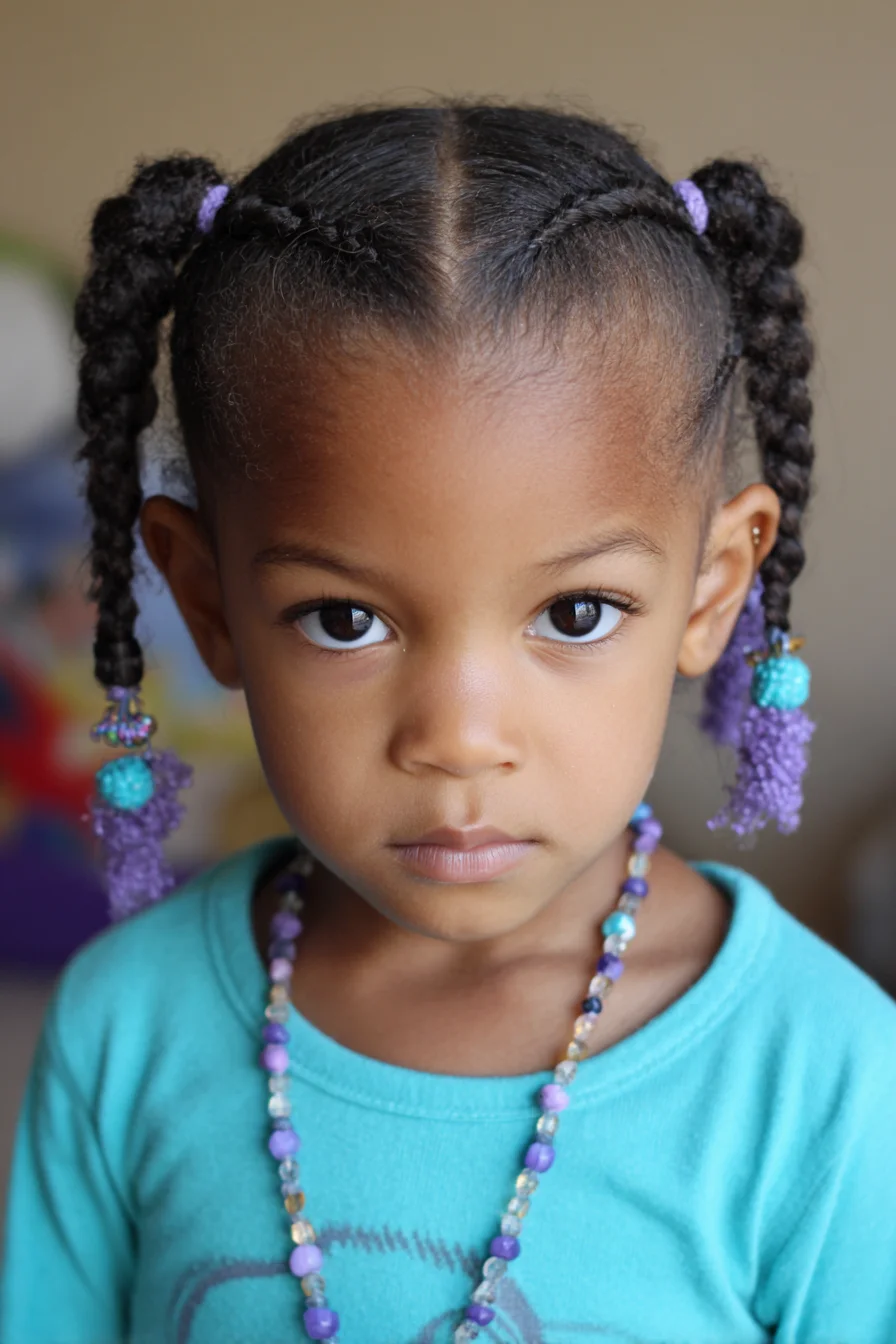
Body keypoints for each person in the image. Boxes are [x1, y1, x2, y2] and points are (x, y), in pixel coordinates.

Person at [2, 102, 894, 1344]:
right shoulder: (123, 1029)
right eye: (343, 621)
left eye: (574, 612)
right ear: (205, 601)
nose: (460, 737)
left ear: (711, 592)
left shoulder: (825, 1081)